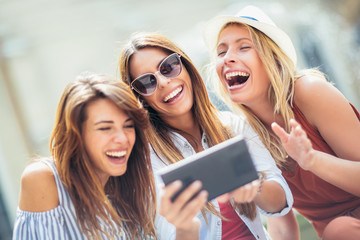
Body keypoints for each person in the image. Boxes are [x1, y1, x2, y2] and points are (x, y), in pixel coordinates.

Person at [203, 5, 360, 240]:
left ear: (272, 58)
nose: (228, 58)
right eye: (221, 52)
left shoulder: (309, 92)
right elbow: (282, 224)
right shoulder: (244, 135)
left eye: (244, 47)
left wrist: (313, 161)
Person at [118, 32, 293, 240]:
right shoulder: (146, 160)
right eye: (147, 82)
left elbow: (281, 202)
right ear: (141, 98)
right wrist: (184, 224)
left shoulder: (232, 126)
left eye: (168, 67)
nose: (164, 82)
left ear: (186, 66)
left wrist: (255, 187)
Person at [12, 73, 157, 239]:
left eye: (128, 126)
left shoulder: (130, 187)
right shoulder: (44, 179)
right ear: (76, 135)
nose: (123, 138)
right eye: (105, 128)